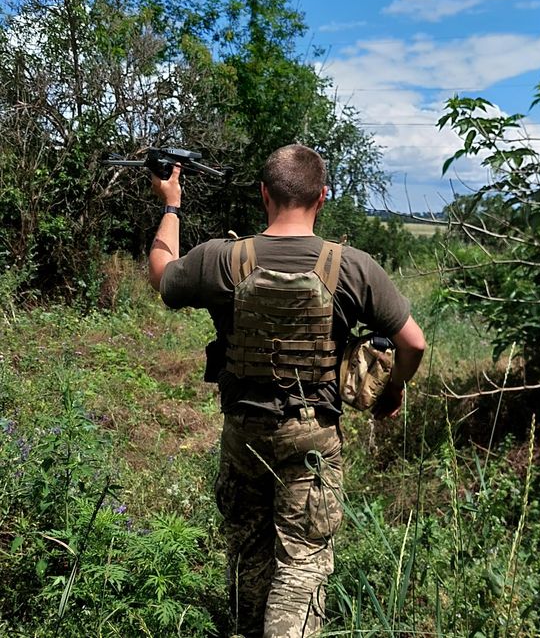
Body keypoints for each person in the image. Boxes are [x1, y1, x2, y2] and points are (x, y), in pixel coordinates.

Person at [148, 144, 425, 638]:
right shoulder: (353, 267)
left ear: (263, 195)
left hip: (244, 433)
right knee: (301, 563)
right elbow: (413, 343)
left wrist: (171, 205)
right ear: (322, 196)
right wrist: (392, 389)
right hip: (312, 435)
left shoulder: (221, 259)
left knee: (248, 554)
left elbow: (162, 274)